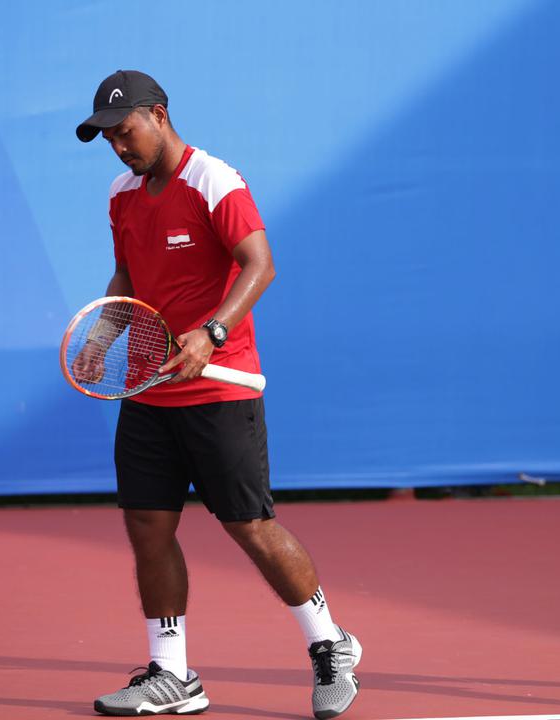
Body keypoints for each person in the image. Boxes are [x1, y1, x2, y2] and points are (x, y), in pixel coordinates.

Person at [74, 70, 362, 718]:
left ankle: (331, 645)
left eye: (126, 131)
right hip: (149, 388)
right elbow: (127, 274)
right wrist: (104, 332)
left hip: (221, 388)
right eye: (108, 138)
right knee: (148, 527)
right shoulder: (122, 195)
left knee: (250, 527)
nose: (119, 147)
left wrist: (212, 331)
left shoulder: (214, 180)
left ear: (160, 114)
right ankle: (173, 673)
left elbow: (261, 262)